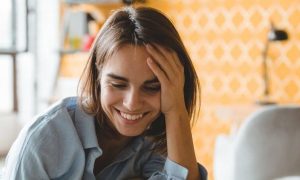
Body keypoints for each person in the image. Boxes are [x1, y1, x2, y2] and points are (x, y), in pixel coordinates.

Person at [3, 6, 207, 180]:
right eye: (118, 84)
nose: (132, 103)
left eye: (151, 87)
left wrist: (176, 109)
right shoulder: (44, 141)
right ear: (97, 77)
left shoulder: (155, 143)